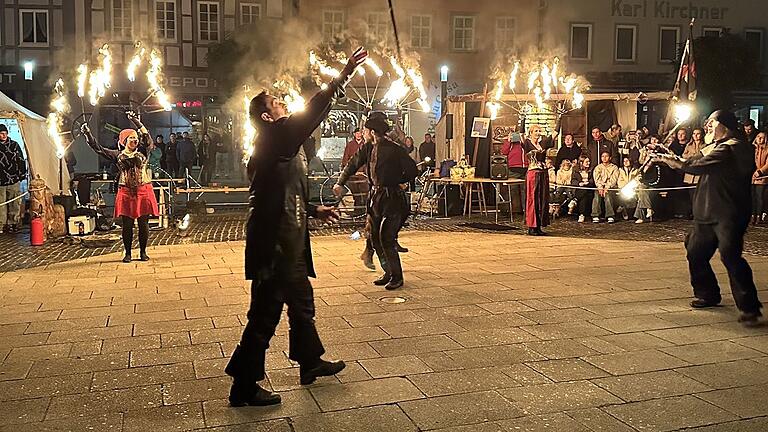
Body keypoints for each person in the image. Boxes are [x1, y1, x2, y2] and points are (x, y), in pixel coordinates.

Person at [225, 47, 368, 407]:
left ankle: (310, 362)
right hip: (274, 244)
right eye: (275, 102)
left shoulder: (279, 143)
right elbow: (316, 108)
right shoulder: (277, 136)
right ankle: (242, 385)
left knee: (302, 303)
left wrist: (312, 208)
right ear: (267, 117)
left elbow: (281, 189)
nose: (282, 103)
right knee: (265, 314)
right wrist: (347, 70)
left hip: (288, 238)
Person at [654, 109, 762, 326]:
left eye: (712, 121)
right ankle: (707, 293)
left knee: (730, 256)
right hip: (706, 212)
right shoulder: (716, 147)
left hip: (728, 213)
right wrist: (666, 152)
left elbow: (693, 165)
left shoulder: (734, 148)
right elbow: (693, 158)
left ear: (725, 125)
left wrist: (670, 160)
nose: (708, 125)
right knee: (695, 252)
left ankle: (749, 307)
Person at [335, 112, 419, 289]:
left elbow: (412, 170)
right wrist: (340, 182)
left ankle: (397, 276)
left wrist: (398, 181)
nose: (364, 133)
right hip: (375, 198)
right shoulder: (367, 148)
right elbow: (352, 164)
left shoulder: (395, 149)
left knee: (386, 237)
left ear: (372, 131)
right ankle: (388, 272)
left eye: (365, 130)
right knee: (374, 237)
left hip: (393, 198)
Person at [81, 112, 158, 262]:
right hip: (126, 192)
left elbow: (147, 139)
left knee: (143, 223)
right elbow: (98, 148)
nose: (135, 140)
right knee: (127, 225)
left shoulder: (143, 152)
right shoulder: (118, 155)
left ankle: (143, 252)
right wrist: (88, 134)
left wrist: (135, 121)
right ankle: (128, 253)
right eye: (131, 138)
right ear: (124, 140)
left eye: (135, 137)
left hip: (143, 190)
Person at [523, 124, 557, 235]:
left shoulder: (542, 144)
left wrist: (560, 117)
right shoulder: (527, 143)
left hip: (543, 173)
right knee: (533, 199)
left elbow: (555, 133)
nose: (538, 133)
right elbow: (520, 134)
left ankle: (538, 226)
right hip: (533, 173)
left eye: (539, 131)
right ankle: (531, 226)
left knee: (542, 199)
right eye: (536, 131)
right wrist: (522, 118)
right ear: (531, 132)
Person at [0, 124, 27, 234]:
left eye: (5, 133)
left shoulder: (14, 145)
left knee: (14, 202)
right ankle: (1, 224)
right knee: (1, 204)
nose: (4, 135)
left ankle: (13, 223)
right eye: (1, 133)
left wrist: (22, 173)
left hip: (13, 178)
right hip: (0, 180)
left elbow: (20, 160)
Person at [592, 151, 619, 223]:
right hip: (600, 186)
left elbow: (614, 179)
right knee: (596, 196)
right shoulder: (598, 167)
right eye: (602, 156)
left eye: (606, 156)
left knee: (608, 196)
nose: (604, 158)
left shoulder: (614, 167)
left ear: (610, 158)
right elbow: (597, 178)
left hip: (610, 187)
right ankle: (595, 215)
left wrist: (607, 187)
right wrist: (600, 187)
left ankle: (610, 215)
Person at [752, 131, 768, 224]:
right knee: (753, 196)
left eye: (762, 137)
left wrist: (760, 171)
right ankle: (753, 214)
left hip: (762, 177)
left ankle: (759, 215)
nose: (759, 139)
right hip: (753, 177)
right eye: (758, 136)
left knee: (760, 196)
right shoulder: (754, 149)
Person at [572, 156, 594, 223]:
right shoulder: (575, 169)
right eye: (586, 162)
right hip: (579, 188)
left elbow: (593, 180)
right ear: (581, 162)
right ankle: (582, 214)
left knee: (584, 190)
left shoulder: (591, 169)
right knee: (583, 195)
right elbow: (573, 180)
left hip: (589, 187)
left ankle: (575, 200)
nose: (589, 163)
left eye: (589, 161)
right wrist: (579, 183)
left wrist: (588, 182)